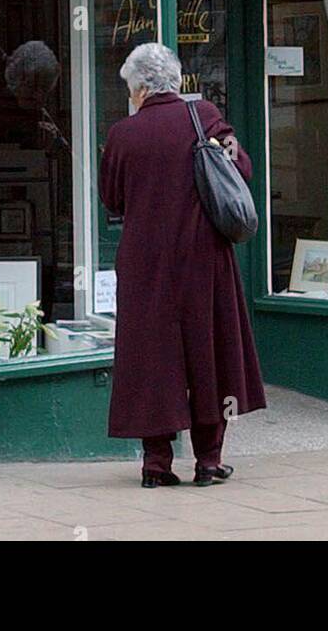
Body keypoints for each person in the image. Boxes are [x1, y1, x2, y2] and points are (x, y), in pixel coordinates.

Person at [98, 42, 266, 488]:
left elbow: (112, 199)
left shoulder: (122, 135)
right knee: (209, 353)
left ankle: (156, 465)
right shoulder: (204, 117)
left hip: (144, 264)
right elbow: (241, 168)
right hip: (203, 259)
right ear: (176, 81)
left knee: (151, 358)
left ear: (138, 89)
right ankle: (209, 462)